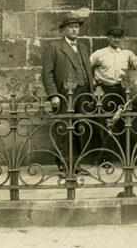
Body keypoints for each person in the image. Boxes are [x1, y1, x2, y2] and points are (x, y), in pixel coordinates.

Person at [40, 16, 94, 173]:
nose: (74, 29)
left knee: (79, 128)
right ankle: (65, 163)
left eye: (76, 27)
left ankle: (74, 163)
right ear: (63, 30)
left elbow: (87, 70)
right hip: (65, 93)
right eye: (70, 27)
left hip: (83, 91)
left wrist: (91, 91)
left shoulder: (83, 47)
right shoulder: (54, 47)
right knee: (64, 128)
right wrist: (53, 95)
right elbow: (47, 73)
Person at [88, 27, 137, 161]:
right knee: (104, 122)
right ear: (108, 38)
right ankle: (106, 157)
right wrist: (92, 82)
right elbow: (87, 66)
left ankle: (131, 156)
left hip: (122, 89)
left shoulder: (127, 54)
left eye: (119, 37)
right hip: (104, 90)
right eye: (114, 37)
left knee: (127, 121)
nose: (117, 40)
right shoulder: (99, 53)